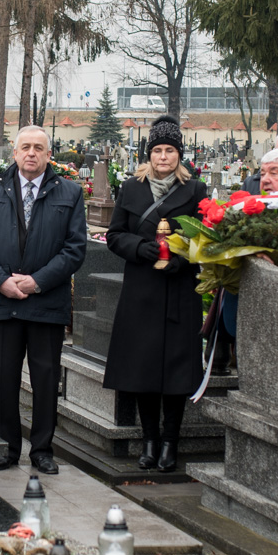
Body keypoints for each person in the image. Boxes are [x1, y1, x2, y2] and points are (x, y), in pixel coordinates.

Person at [0, 125, 88, 473]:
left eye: (38, 148)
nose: (31, 153)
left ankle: (42, 450)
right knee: (3, 379)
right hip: (3, 302)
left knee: (45, 380)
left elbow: (75, 248)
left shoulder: (69, 192)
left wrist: (37, 282)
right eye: (25, 147)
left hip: (45, 302)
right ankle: (6, 447)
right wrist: (1, 281)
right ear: (15, 153)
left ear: (49, 155)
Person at [101, 116, 205, 472]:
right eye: (157, 150)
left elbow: (205, 237)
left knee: (176, 371)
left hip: (179, 291)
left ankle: (170, 442)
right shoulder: (131, 188)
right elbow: (115, 235)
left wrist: (182, 259)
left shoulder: (196, 190)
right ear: (149, 154)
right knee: (143, 369)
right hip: (142, 290)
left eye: (170, 151)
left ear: (179, 154)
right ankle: (149, 440)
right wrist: (139, 247)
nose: (163, 157)